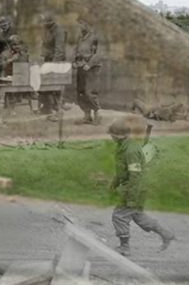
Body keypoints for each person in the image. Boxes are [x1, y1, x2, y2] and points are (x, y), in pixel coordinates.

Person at [109, 118, 174, 256]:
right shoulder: (123, 146)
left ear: (118, 135)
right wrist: (115, 182)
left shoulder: (130, 151)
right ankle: (165, 234)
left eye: (112, 134)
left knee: (119, 216)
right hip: (135, 187)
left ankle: (124, 247)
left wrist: (131, 196)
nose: (111, 137)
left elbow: (135, 176)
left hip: (134, 188)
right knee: (138, 215)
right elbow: (123, 169)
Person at [74, 18, 102, 124]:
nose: (79, 27)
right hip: (81, 67)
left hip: (92, 68)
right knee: (81, 92)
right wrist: (76, 62)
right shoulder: (80, 38)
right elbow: (77, 52)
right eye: (78, 25)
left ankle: (97, 114)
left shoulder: (94, 37)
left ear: (87, 24)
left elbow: (98, 54)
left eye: (81, 24)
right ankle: (87, 115)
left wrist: (89, 64)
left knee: (89, 91)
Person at [39, 13, 66, 115]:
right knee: (44, 82)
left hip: (57, 60)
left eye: (45, 22)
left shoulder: (58, 31)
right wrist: (42, 57)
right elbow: (44, 44)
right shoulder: (45, 30)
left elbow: (59, 50)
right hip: (47, 59)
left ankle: (57, 106)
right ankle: (48, 106)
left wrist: (53, 64)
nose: (43, 24)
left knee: (55, 84)